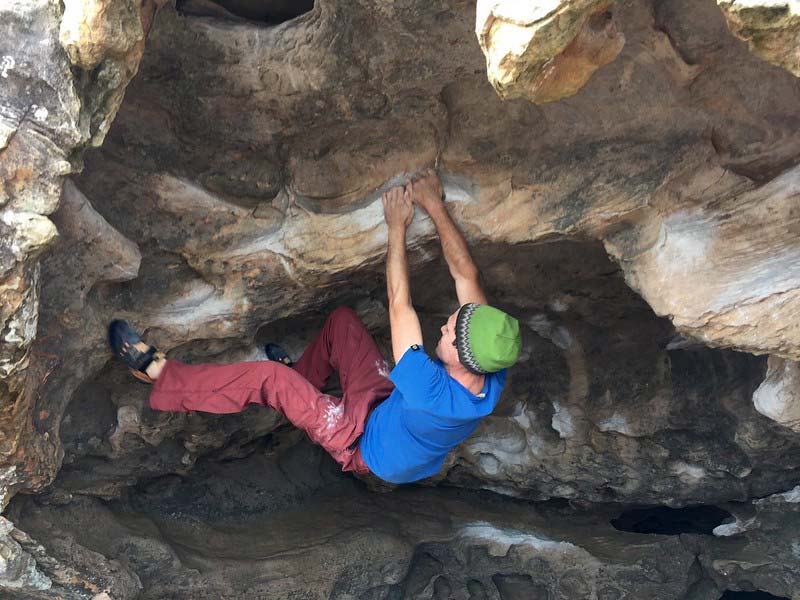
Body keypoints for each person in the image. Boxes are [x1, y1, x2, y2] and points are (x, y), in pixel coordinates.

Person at [108, 170, 521, 484]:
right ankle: (301, 381)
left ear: (464, 359)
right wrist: (434, 204)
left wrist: (397, 226)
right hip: (391, 411)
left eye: (450, 334)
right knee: (341, 323)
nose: (444, 329)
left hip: (364, 446)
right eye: (453, 322)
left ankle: (162, 378)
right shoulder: (488, 357)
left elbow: (400, 302)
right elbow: (465, 274)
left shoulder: (431, 391)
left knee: (269, 378)